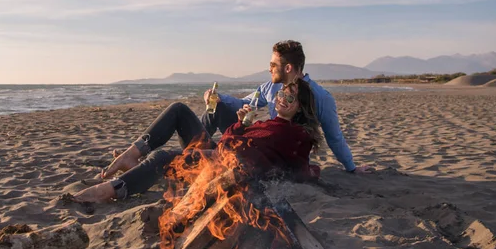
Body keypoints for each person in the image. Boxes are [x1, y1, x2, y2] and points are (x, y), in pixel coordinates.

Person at [71, 78, 322, 203]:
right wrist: (241, 124)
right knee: (179, 109)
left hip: (224, 170)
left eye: (288, 99)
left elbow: (251, 155)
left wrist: (237, 131)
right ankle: (132, 154)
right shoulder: (274, 124)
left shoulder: (292, 132)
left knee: (164, 157)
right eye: (280, 95)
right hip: (222, 156)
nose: (280, 101)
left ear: (300, 109)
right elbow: (237, 141)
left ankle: (112, 190)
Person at [202, 40, 370, 174]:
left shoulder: (321, 97)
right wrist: (217, 98)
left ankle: (202, 157)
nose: (269, 69)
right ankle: (199, 151)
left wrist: (352, 167)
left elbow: (334, 137)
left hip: (280, 156)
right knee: (218, 108)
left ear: (288, 68)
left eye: (273, 65)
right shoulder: (270, 87)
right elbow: (244, 103)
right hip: (264, 143)